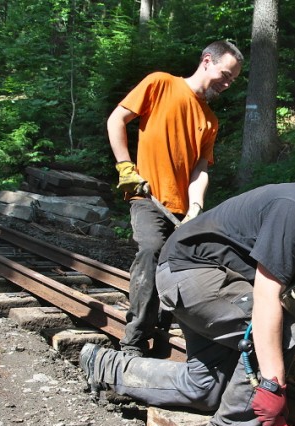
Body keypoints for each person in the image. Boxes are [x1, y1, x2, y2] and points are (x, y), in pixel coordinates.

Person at [80, 181, 295, 426]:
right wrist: (273, 386)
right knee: (286, 335)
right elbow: (266, 296)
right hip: (189, 272)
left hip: (219, 282)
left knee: (204, 390)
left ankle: (104, 365)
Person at [107, 40, 244, 356]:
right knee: (152, 251)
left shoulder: (210, 119)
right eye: (225, 74)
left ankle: (165, 332)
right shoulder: (160, 84)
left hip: (182, 211)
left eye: (232, 80)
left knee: (180, 266)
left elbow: (199, 169)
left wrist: (196, 207)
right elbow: (117, 120)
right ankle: (133, 342)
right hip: (147, 196)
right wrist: (126, 166)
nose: (226, 84)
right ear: (206, 61)